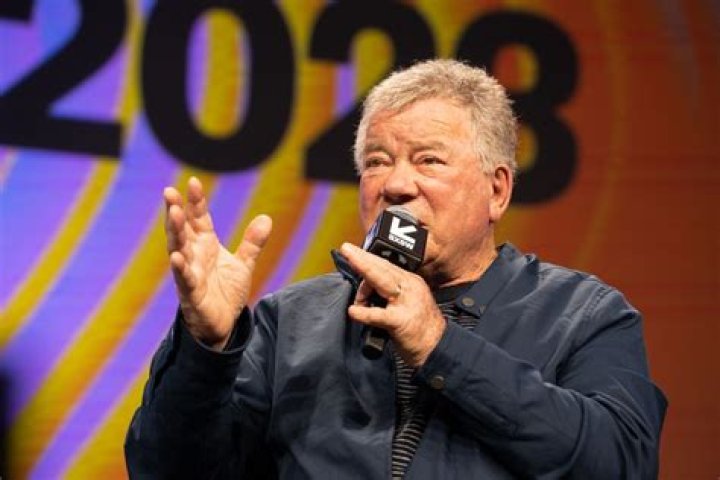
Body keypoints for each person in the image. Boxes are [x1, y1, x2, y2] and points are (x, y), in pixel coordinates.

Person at [125, 59, 666, 479]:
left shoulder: (583, 316)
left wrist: (437, 345)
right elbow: (167, 472)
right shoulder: (289, 322)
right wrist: (206, 349)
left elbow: (620, 464)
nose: (396, 185)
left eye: (429, 160)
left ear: (497, 190)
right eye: (377, 162)